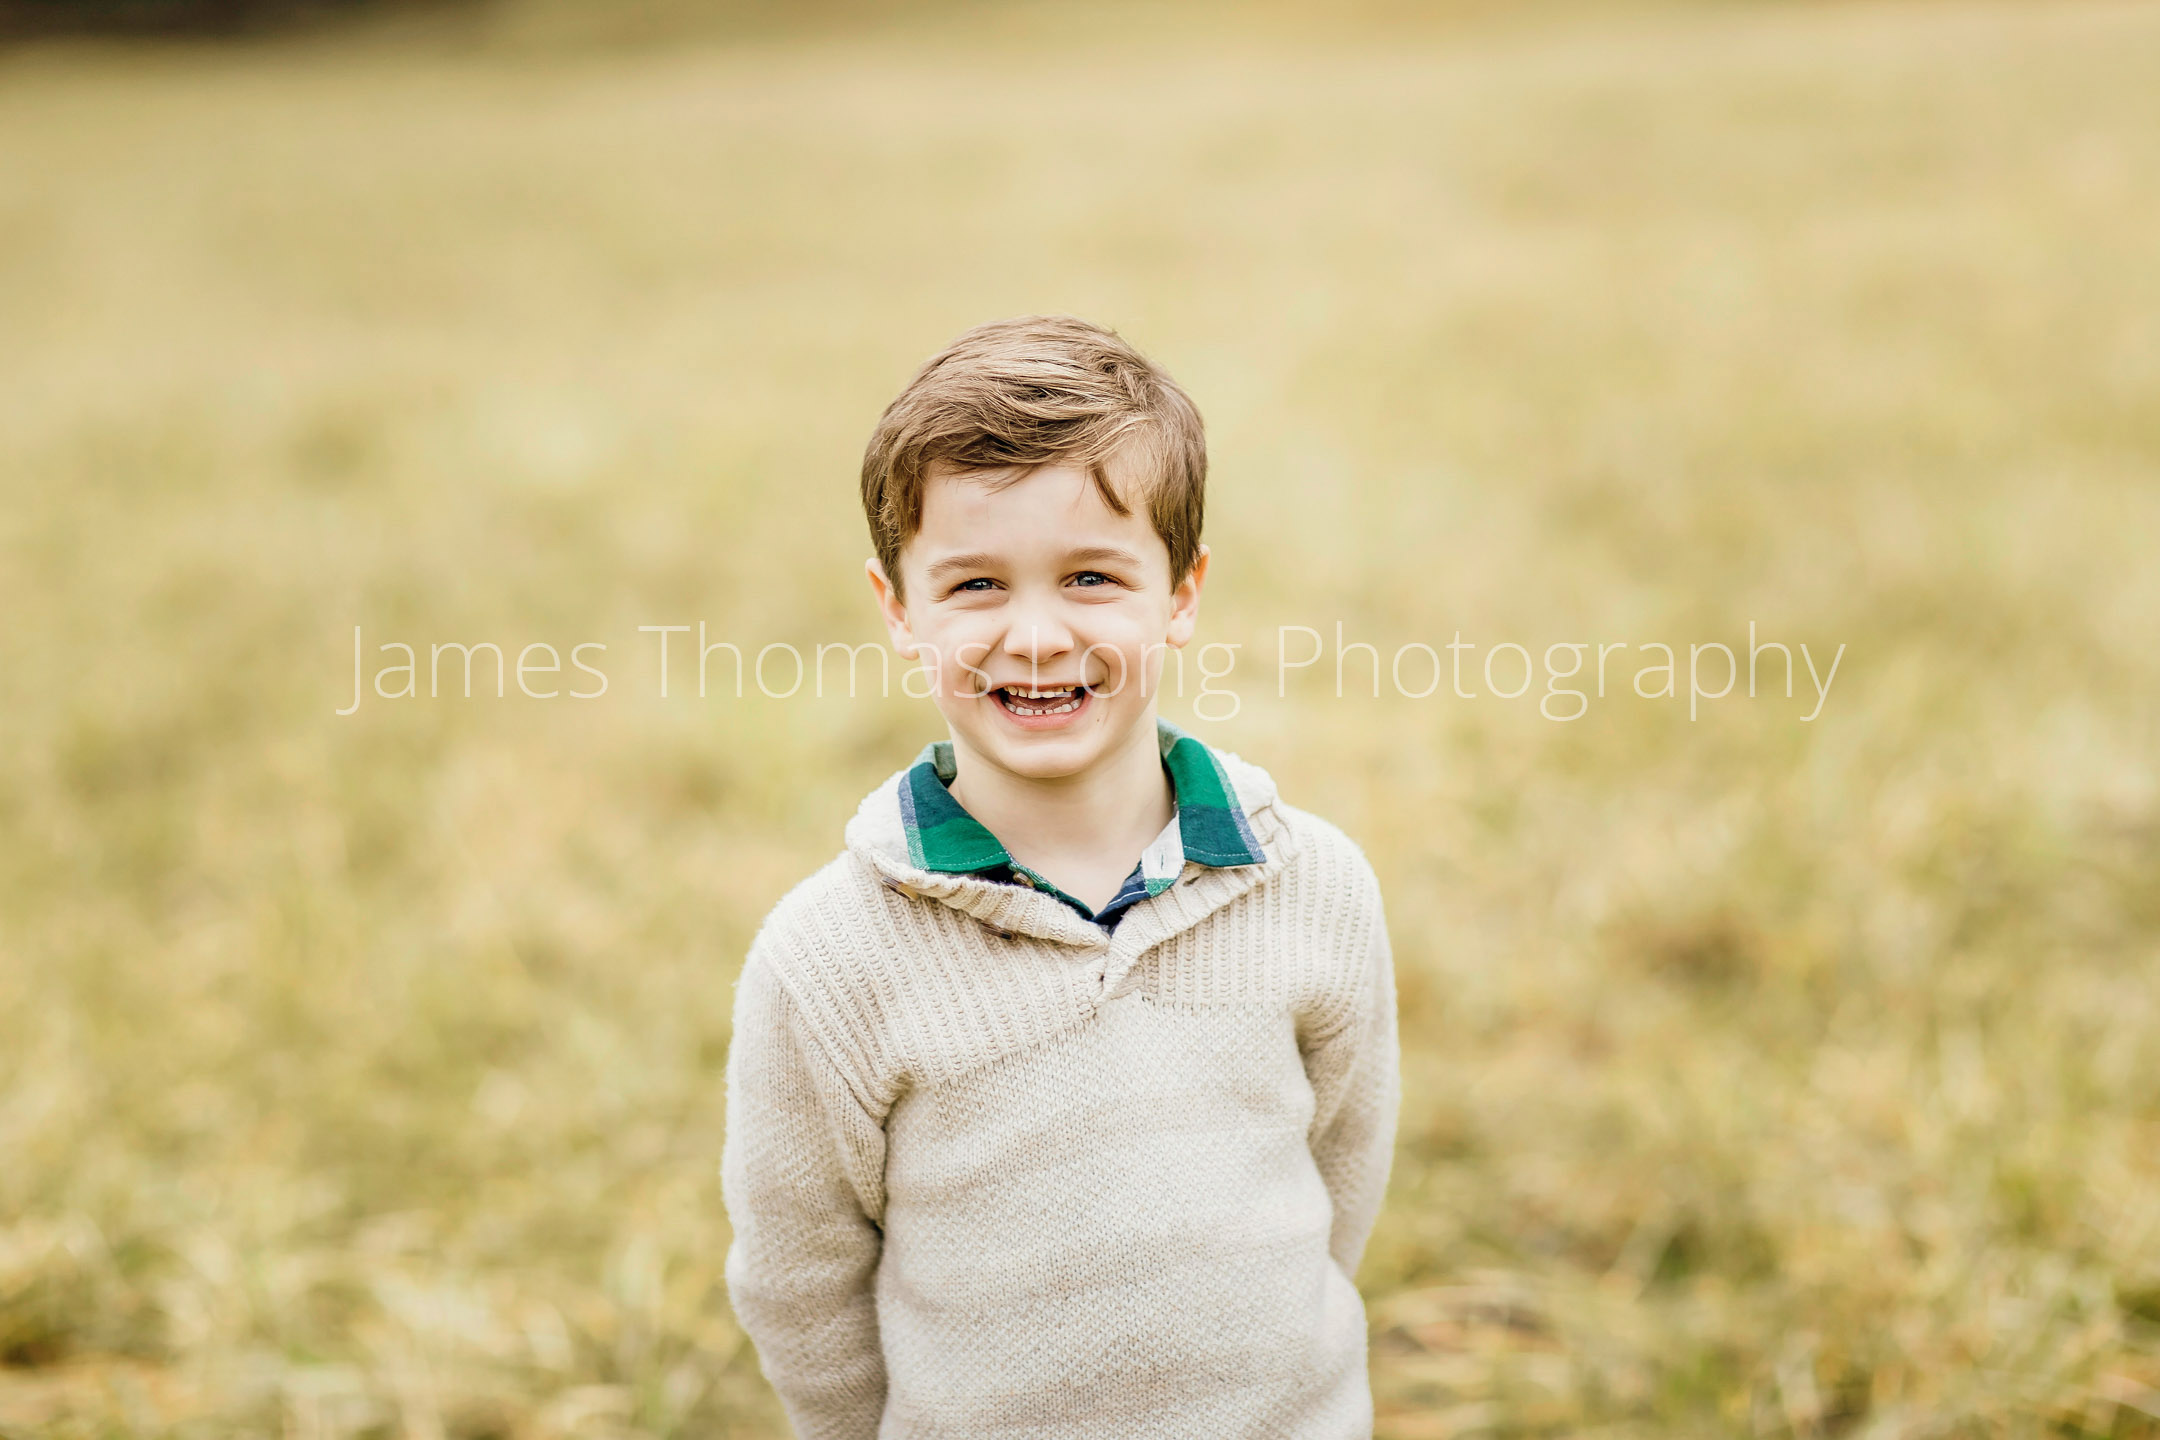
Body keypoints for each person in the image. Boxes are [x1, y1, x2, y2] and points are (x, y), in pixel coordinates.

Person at [720, 315, 1401, 1439]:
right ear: (899, 610)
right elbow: (800, 1281)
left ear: (1181, 592)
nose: (1036, 636)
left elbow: (1340, 1165)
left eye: (1091, 577)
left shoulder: (1312, 885)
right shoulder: (829, 959)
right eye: (976, 585)